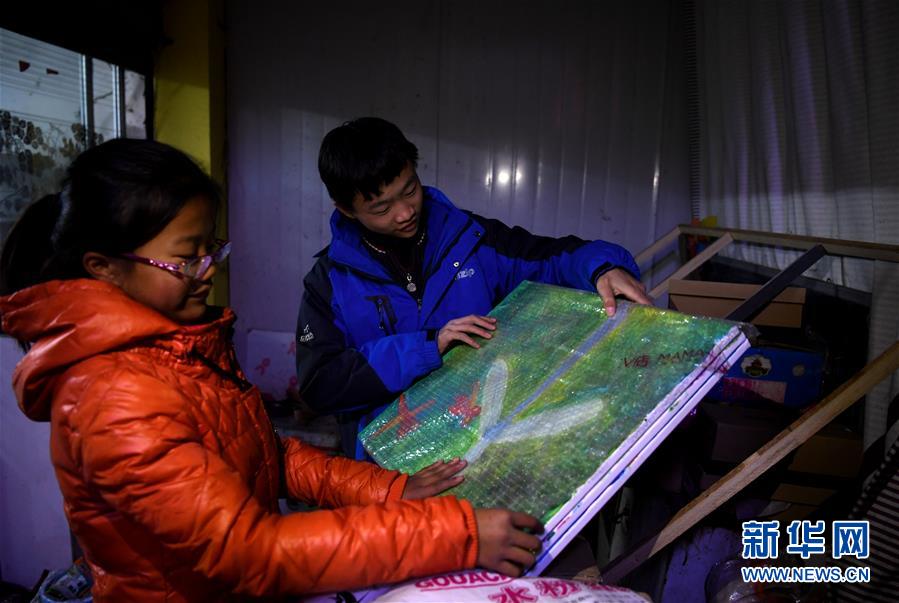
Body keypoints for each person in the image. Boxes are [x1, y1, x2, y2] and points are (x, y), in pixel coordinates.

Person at [0, 138, 543, 602]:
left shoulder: (174, 350)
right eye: (186, 258)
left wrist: (394, 492)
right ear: (104, 268)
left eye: (211, 249)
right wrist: (457, 535)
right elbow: (248, 551)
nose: (207, 272)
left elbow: (264, 454)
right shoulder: (112, 395)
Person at [296, 117, 653, 459]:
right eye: (381, 208)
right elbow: (320, 383)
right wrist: (427, 346)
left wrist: (601, 268)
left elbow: (552, 257)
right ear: (346, 209)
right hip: (393, 478)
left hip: (484, 453)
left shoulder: (472, 240)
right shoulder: (329, 282)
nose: (405, 213)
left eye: (410, 190)